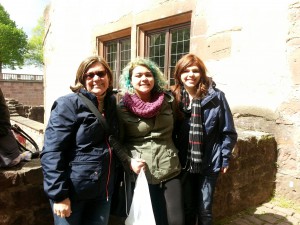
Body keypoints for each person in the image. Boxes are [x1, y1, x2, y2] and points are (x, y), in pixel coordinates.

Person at [40, 56, 119, 225]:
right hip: (73, 193)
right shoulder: (68, 104)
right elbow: (52, 151)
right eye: (89, 75)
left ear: (109, 77)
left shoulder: (111, 103)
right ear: (82, 80)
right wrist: (59, 196)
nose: (96, 78)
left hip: (102, 193)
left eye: (101, 73)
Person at [116, 58, 184, 225]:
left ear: (155, 78)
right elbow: (116, 141)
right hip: (141, 173)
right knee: (152, 219)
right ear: (130, 80)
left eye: (148, 74)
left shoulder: (168, 101)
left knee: (177, 220)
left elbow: (178, 129)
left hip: (170, 167)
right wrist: (129, 161)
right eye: (138, 75)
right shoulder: (121, 108)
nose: (144, 78)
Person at [172, 53, 237, 225]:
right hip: (183, 163)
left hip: (209, 162)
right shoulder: (172, 98)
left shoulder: (216, 97)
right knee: (187, 208)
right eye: (186, 70)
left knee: (205, 210)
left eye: (195, 70)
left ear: (201, 73)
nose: (190, 74)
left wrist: (224, 158)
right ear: (179, 74)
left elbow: (228, 131)